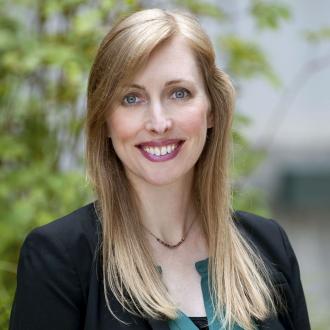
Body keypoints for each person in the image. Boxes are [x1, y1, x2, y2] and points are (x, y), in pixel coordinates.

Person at [9, 8, 310, 330]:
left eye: (178, 93)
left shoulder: (268, 245)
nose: (158, 122)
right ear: (105, 121)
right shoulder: (59, 258)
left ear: (211, 110)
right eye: (131, 98)